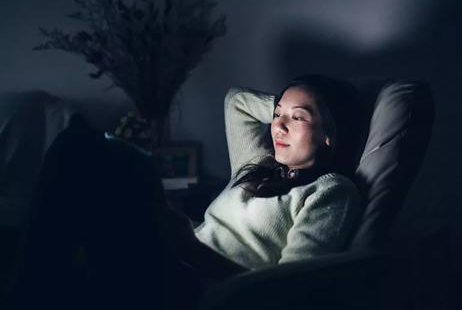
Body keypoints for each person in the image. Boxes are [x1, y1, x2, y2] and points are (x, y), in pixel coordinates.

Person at [15, 74, 362, 309]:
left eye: (296, 118)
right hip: (176, 257)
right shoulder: (261, 164)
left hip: (205, 290)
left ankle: (29, 290)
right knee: (82, 149)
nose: (279, 125)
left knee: (105, 157)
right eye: (276, 114)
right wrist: (292, 102)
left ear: (330, 135)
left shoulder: (330, 191)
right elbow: (237, 101)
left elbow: (287, 293)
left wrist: (192, 250)